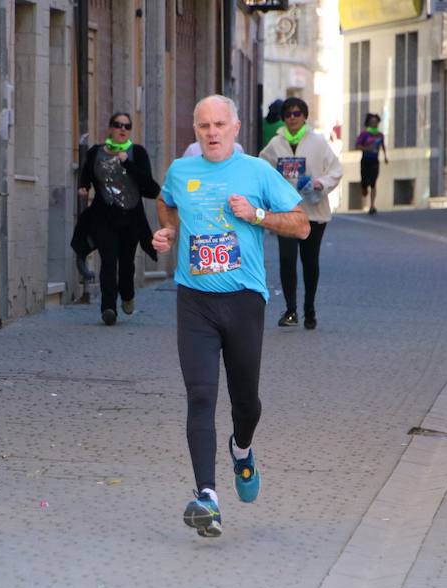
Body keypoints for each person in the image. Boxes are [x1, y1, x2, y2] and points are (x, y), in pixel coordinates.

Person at [153, 95, 309, 537]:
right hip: (195, 300)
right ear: (195, 130)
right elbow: (166, 203)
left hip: (244, 300)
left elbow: (301, 224)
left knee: (246, 402)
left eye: (220, 124)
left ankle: (241, 450)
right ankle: (208, 497)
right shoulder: (181, 172)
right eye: (204, 126)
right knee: (200, 395)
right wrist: (169, 228)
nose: (212, 132)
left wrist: (257, 214)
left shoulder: (257, 171)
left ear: (236, 127)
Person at [260, 96, 342, 329]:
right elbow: (261, 167)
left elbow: (336, 170)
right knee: (287, 260)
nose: (293, 118)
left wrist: (321, 183)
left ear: (305, 116)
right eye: (288, 115)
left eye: (297, 114)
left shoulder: (318, 142)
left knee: (309, 261)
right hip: (286, 212)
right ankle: (290, 310)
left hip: (314, 211)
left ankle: (310, 309)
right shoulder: (276, 144)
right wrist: (273, 188)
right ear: (283, 118)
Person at [77, 112, 161, 324]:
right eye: (118, 125)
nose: (122, 129)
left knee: (126, 264)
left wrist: (127, 164)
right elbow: (86, 172)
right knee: (108, 261)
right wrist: (83, 187)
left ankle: (128, 294)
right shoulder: (96, 152)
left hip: (131, 219)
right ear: (110, 128)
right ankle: (108, 308)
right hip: (104, 218)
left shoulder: (137, 153)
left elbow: (151, 188)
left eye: (127, 126)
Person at [355, 113, 388, 214]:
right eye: (372, 122)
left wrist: (386, 156)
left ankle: (372, 205)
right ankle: (364, 188)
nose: (374, 123)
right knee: (364, 182)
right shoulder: (364, 134)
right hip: (365, 161)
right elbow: (357, 146)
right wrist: (367, 148)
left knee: (373, 182)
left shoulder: (380, 135)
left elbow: (383, 145)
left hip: (375, 161)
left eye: (376, 122)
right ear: (369, 123)